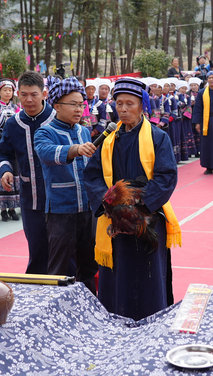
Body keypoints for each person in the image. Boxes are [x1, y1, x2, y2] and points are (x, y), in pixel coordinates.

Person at [83, 77, 180, 320]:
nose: (123, 109)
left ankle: (151, 322)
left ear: (142, 106)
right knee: (117, 279)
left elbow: (166, 176)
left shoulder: (158, 137)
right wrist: (112, 206)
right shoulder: (107, 139)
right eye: (119, 104)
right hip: (113, 220)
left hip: (147, 220)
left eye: (130, 104)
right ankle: (116, 324)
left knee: (148, 277)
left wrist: (137, 205)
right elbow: (92, 175)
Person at [34, 78, 98, 293]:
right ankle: (54, 311)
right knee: (59, 268)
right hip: (61, 210)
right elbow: (46, 153)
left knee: (89, 265)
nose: (79, 109)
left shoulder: (84, 131)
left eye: (81, 104)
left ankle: (90, 307)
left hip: (87, 209)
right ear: (57, 106)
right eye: (73, 104)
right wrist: (74, 150)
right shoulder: (44, 132)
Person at [0, 71, 55, 275]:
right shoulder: (13, 124)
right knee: (37, 248)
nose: (29, 99)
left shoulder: (57, 119)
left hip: (60, 198)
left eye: (34, 94)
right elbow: (2, 153)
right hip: (30, 197)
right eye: (24, 94)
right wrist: (5, 170)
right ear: (17, 94)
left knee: (62, 250)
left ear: (44, 94)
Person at [0, 79, 21, 222]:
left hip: (14, 146)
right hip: (0, 145)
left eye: (10, 90)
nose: (8, 93)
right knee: (2, 173)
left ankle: (13, 208)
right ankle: (3, 209)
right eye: (5, 90)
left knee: (14, 174)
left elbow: (20, 125)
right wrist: (5, 141)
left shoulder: (17, 108)